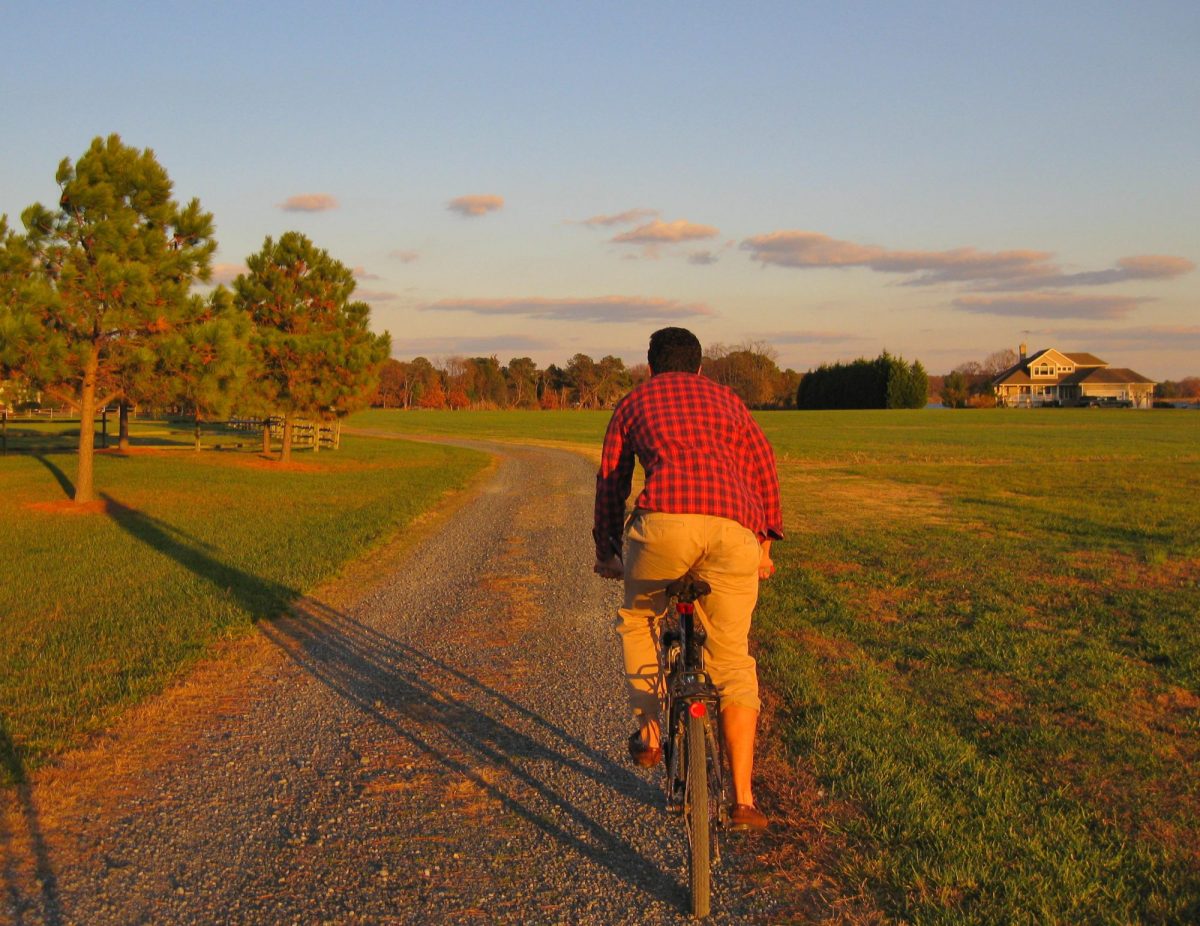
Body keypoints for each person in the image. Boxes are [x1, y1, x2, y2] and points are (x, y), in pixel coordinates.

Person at [593, 326, 783, 832]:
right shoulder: (729, 400)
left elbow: (612, 480)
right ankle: (743, 799)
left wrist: (607, 549)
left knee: (638, 620)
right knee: (733, 659)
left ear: (651, 365)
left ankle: (651, 734)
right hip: (733, 529)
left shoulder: (634, 402)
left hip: (664, 527)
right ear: (700, 367)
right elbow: (763, 466)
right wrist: (764, 544)